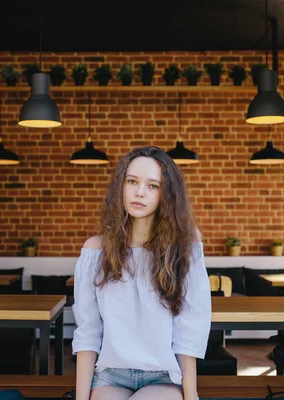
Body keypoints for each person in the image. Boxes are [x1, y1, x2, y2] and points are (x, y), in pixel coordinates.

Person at [71, 146, 211, 400]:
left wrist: (191, 396)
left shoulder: (184, 245)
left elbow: (189, 327)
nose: (139, 192)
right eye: (132, 181)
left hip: (163, 376)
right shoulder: (95, 250)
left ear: (166, 195)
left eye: (153, 186)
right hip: (110, 375)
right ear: (120, 187)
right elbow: (88, 332)